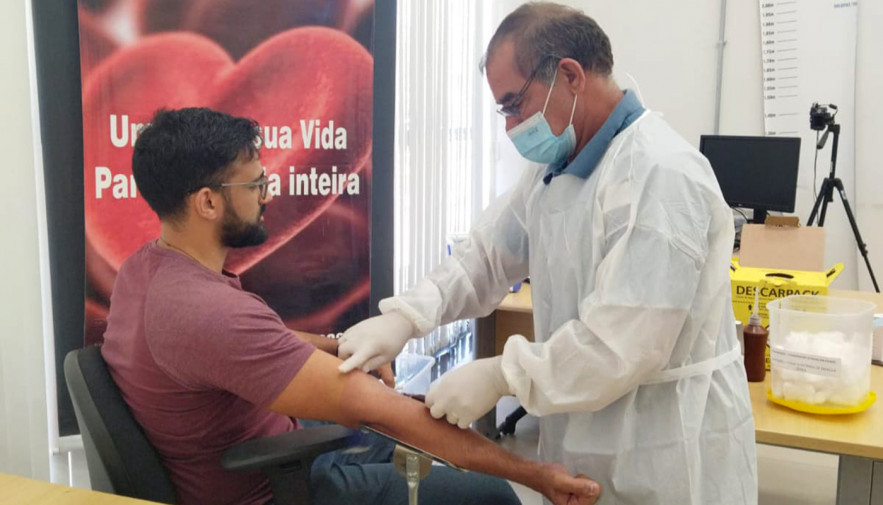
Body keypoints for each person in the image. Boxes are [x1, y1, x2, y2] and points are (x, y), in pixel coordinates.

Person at [337, 3, 758, 504]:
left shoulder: (662, 174)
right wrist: (407, 317)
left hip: (666, 450)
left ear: (570, 75)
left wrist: (503, 375)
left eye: (516, 104)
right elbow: (487, 256)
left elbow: (620, 345)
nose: (511, 126)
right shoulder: (557, 166)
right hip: (584, 436)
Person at [100, 107, 601, 505]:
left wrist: (336, 345)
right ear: (207, 203)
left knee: (415, 447)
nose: (266, 195)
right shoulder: (206, 311)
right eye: (254, 185)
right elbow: (386, 413)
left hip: (269, 449)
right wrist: (536, 473)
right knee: (486, 493)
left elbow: (252, 348)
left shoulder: (145, 272)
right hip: (276, 487)